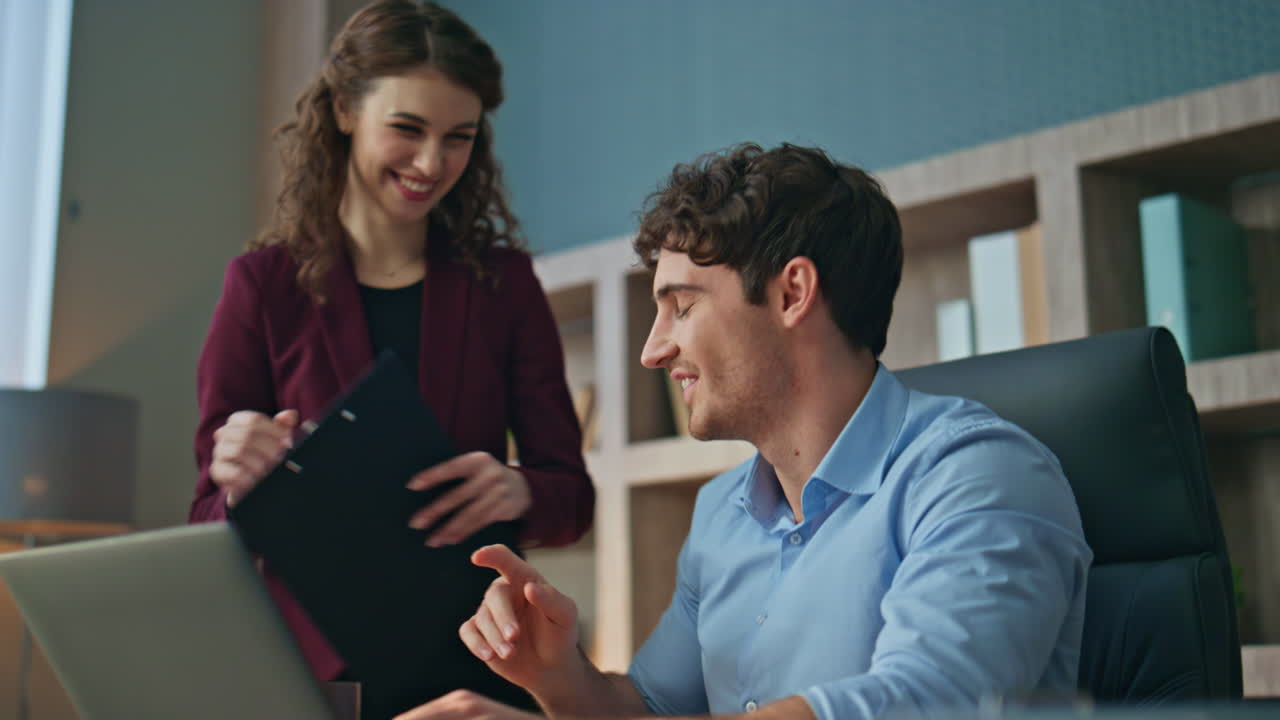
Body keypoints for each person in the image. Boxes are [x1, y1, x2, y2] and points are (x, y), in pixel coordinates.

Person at [396, 143, 1092, 720]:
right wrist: (556, 677)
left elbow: (927, 702)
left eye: (681, 307)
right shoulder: (721, 515)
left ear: (792, 293)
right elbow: (649, 708)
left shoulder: (981, 475)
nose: (652, 350)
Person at [187, 1, 594, 718]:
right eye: (407, 129)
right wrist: (238, 481)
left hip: (479, 663)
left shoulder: (504, 286)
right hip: (312, 674)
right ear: (344, 110)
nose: (432, 163)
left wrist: (522, 490)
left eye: (458, 138)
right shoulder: (262, 289)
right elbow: (205, 523)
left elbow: (572, 497)